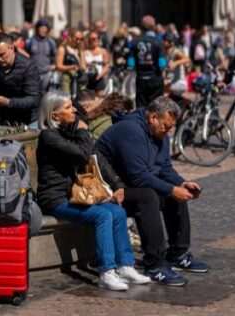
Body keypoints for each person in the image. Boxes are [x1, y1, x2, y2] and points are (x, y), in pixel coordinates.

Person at [36, 91, 151, 291]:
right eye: (68, 108)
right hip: (55, 199)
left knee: (117, 211)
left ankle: (125, 266)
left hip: (73, 196)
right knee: (102, 216)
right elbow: (83, 155)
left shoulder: (67, 132)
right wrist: (82, 132)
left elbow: (97, 157)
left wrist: (117, 184)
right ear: (54, 115)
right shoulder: (49, 137)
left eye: (72, 106)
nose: (74, 110)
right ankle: (106, 272)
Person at [96, 97, 209, 286]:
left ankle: (178, 254)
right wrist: (172, 189)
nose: (168, 131)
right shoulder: (130, 130)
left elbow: (164, 167)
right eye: (166, 126)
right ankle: (155, 264)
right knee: (148, 197)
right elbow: (137, 177)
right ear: (153, 117)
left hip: (127, 185)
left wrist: (182, 183)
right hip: (107, 189)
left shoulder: (159, 134)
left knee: (173, 195)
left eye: (171, 127)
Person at [0, 33, 42, 129]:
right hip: (3, 119)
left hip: (28, 120)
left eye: (2, 55)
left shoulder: (28, 66)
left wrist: (9, 102)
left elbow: (34, 99)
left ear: (12, 48)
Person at [132, 15, 166, 109]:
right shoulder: (158, 42)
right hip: (155, 78)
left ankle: (141, 123)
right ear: (154, 27)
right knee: (156, 106)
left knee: (141, 106)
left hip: (141, 78)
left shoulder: (135, 41)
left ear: (141, 27)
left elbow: (131, 61)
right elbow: (162, 63)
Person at [26, 19, 57, 96]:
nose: (43, 30)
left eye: (45, 28)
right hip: (33, 72)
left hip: (47, 72)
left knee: (45, 94)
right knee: (34, 93)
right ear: (37, 29)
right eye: (41, 27)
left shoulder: (51, 41)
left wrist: (54, 65)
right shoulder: (30, 41)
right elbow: (25, 54)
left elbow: (56, 55)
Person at [162, 33, 190, 98]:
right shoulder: (164, 52)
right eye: (164, 40)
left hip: (178, 82)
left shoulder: (176, 52)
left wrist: (176, 63)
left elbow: (187, 59)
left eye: (167, 40)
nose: (164, 42)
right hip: (170, 82)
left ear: (172, 43)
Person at [56, 31, 83, 95]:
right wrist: (71, 67)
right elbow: (58, 66)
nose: (78, 41)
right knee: (66, 99)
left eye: (81, 39)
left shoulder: (80, 49)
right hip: (66, 79)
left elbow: (83, 66)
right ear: (70, 37)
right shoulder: (62, 49)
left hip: (79, 78)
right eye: (77, 38)